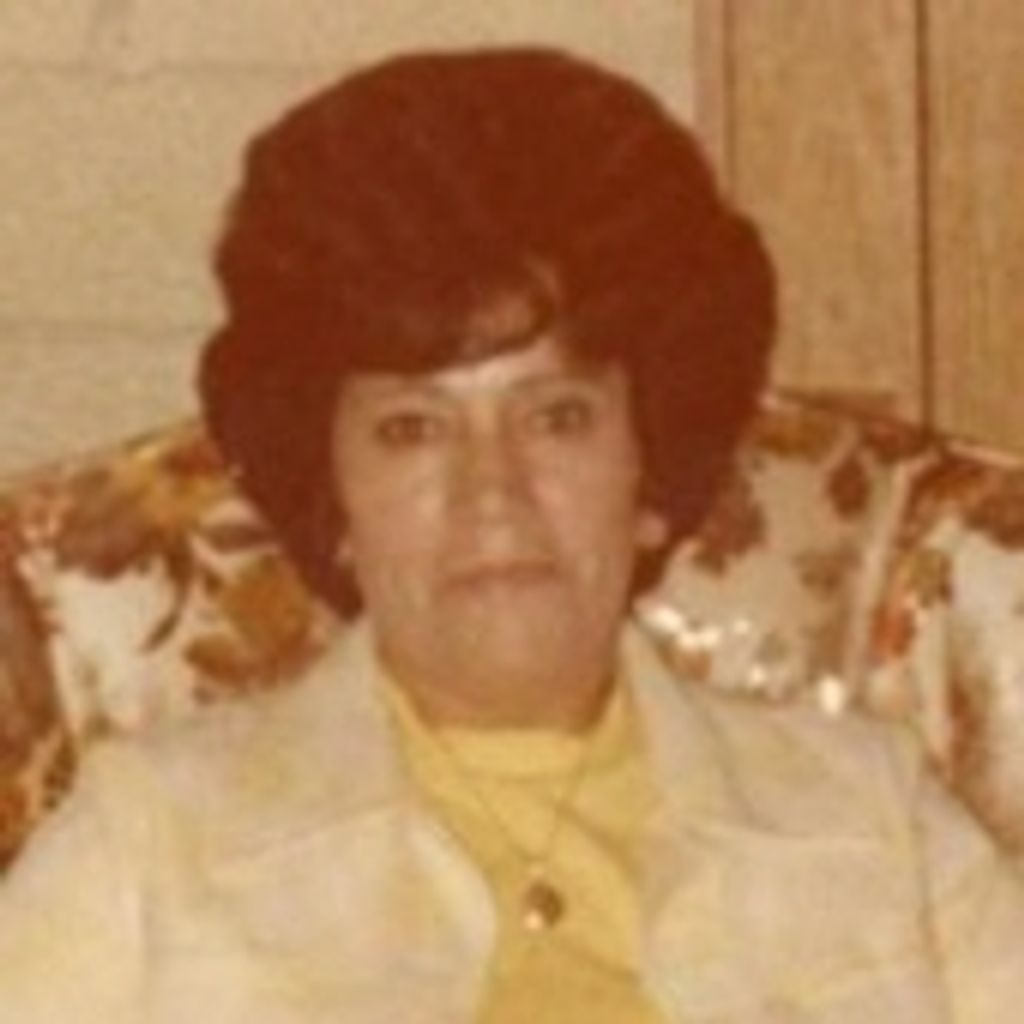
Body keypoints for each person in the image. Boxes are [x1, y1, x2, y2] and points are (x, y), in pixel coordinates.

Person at [0, 46, 1021, 1024]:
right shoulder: (151, 846)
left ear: (651, 472)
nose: (492, 492)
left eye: (556, 418)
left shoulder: (877, 826)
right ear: (333, 500)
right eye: (413, 429)